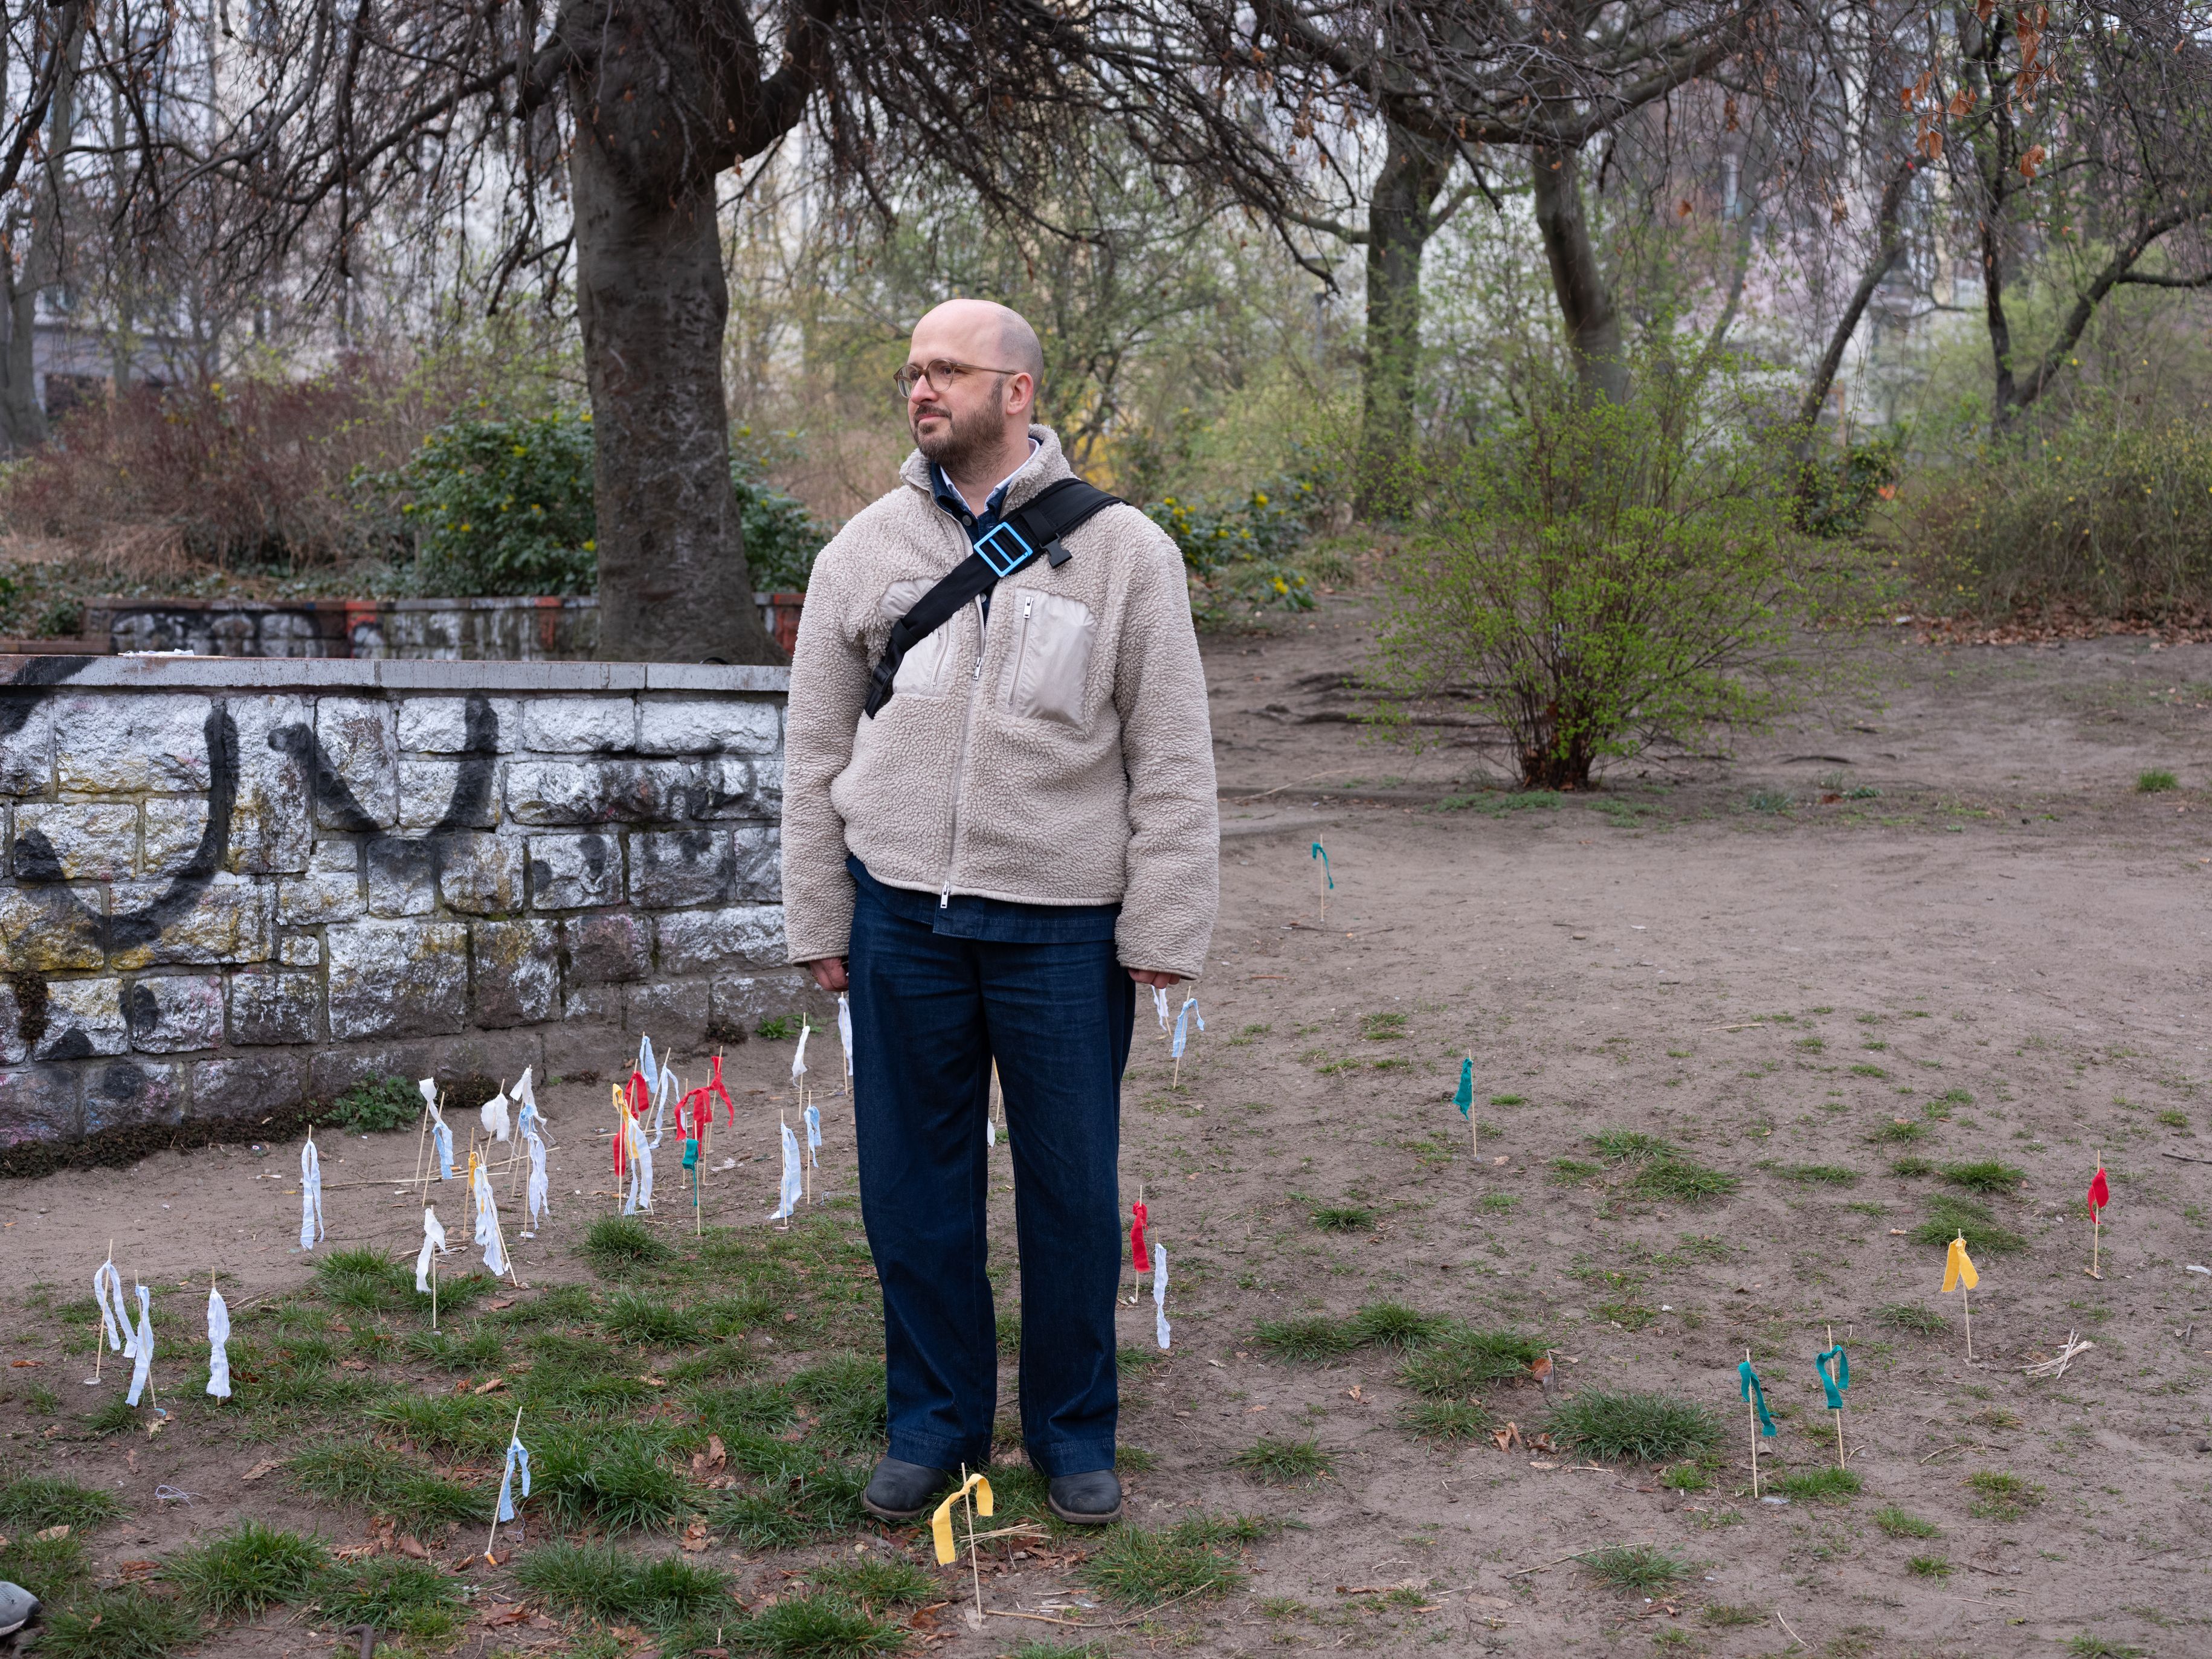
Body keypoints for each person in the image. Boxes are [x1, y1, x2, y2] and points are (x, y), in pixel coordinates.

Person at [780, 298, 1217, 1525]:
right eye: (913, 369)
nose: (923, 389)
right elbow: (811, 742)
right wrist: (819, 910)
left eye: (950, 370)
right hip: (901, 918)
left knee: (1073, 1191)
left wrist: (1164, 930)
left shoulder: (1129, 552)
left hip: (1065, 928)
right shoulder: (861, 549)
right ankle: (934, 1429)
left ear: (1017, 390)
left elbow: (1174, 756)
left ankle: (1075, 1432)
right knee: (912, 1194)